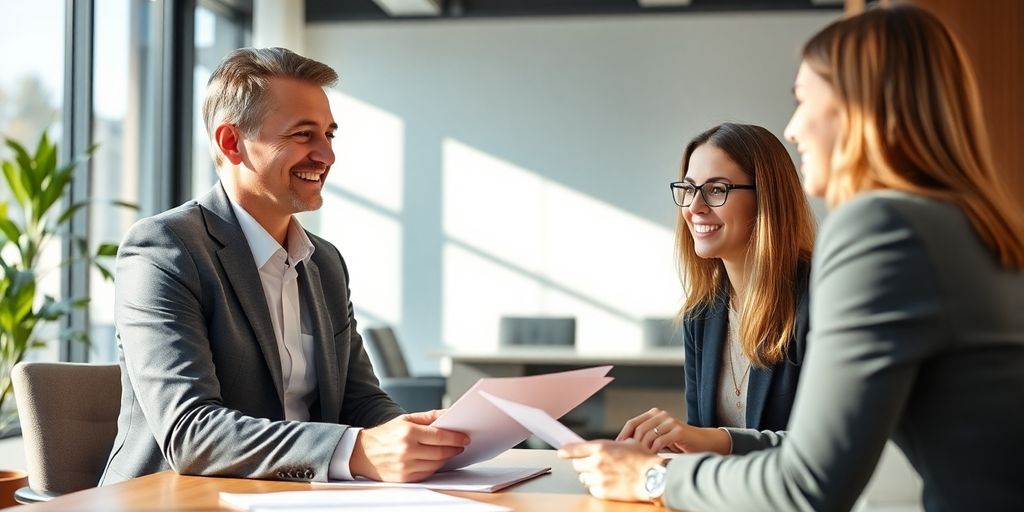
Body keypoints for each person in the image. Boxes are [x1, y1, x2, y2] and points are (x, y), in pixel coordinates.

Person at [560, 5, 1024, 510]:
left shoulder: (883, 228)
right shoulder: (974, 225)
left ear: (859, 108)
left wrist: (651, 479)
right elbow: (823, 453)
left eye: (804, 100)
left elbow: (808, 485)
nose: (795, 127)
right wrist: (712, 442)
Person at [101, 47, 468, 486]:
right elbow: (191, 433)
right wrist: (355, 451)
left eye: (329, 135)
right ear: (231, 142)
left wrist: (419, 440)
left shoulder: (325, 262)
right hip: (180, 497)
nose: (326, 156)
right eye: (302, 135)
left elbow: (361, 401)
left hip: (301, 495)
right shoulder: (165, 250)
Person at [616, 123, 814, 455]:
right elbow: (703, 449)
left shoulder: (818, 300)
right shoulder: (702, 314)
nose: (694, 207)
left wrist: (715, 439)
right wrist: (663, 446)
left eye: (717, 189)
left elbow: (827, 449)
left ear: (766, 197)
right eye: (689, 189)